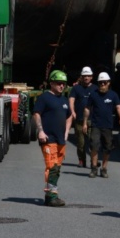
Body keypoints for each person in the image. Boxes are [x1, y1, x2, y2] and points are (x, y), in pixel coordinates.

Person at [34, 70, 73, 207]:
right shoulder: (44, 98)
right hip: (48, 138)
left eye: (63, 84)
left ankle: (50, 194)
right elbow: (37, 114)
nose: (61, 86)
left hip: (60, 139)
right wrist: (40, 131)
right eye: (58, 83)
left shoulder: (64, 99)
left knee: (57, 167)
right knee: (52, 167)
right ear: (51, 83)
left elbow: (69, 115)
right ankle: (51, 196)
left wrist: (67, 132)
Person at [83, 72, 120, 179]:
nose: (102, 85)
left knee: (107, 148)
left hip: (108, 126)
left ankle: (104, 169)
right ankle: (93, 168)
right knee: (94, 146)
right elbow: (87, 108)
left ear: (108, 83)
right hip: (96, 125)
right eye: (100, 83)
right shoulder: (93, 94)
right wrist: (85, 123)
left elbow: (119, 107)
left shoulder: (113, 95)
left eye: (104, 82)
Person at [69, 67, 95, 168]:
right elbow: (71, 100)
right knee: (80, 143)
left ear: (92, 77)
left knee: (94, 142)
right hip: (79, 119)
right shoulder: (76, 88)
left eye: (88, 76)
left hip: (92, 119)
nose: (86, 78)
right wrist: (72, 111)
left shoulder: (95, 89)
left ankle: (94, 160)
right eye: (85, 76)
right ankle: (81, 160)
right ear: (82, 77)